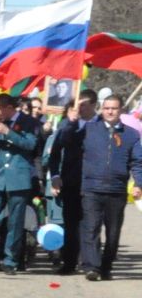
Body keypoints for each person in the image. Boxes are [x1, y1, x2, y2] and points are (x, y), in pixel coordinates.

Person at [72, 92, 142, 281]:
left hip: (116, 190)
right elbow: (66, 141)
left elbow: (137, 162)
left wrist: (138, 183)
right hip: (92, 188)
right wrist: (71, 122)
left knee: (113, 233)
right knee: (91, 228)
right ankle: (92, 267)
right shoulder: (88, 129)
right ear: (101, 109)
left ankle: (106, 266)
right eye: (107, 108)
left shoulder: (131, 135)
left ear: (121, 111)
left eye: (114, 108)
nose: (110, 112)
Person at [0, 92, 41, 273]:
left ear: (8, 108)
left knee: (15, 221)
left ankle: (10, 260)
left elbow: (30, 145)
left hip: (18, 176)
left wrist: (8, 132)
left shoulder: (30, 122)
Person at [45, 96, 95, 275]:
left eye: (83, 105)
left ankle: (90, 263)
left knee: (91, 224)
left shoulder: (100, 124)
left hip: (93, 182)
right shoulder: (67, 125)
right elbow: (58, 149)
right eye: (77, 105)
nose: (79, 109)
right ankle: (69, 262)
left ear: (93, 106)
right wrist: (55, 175)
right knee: (71, 224)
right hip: (71, 181)